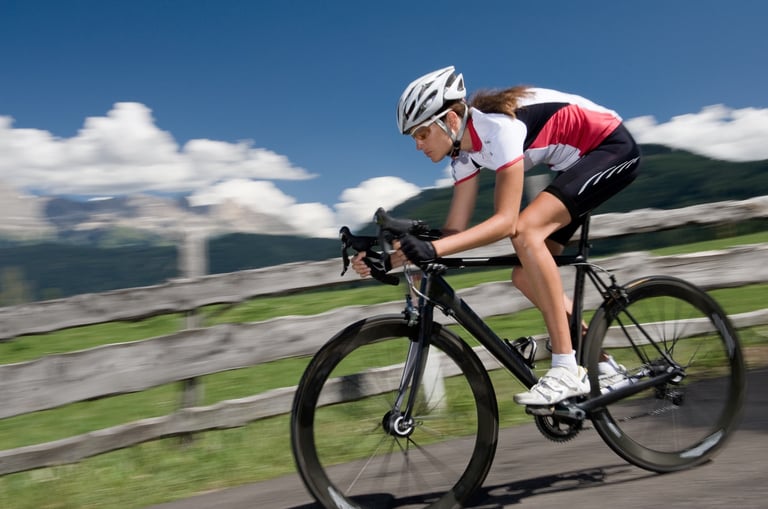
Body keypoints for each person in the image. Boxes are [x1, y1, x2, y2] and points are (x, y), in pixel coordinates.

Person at [352, 66, 640, 406]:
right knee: (524, 274)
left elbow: (506, 222)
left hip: (610, 147)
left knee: (526, 232)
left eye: (422, 133)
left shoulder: (499, 129)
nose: (417, 145)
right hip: (572, 166)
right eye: (413, 137)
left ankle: (567, 367)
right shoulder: (463, 156)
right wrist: (391, 256)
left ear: (452, 121)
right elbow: (453, 233)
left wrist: (433, 248)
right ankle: (603, 366)